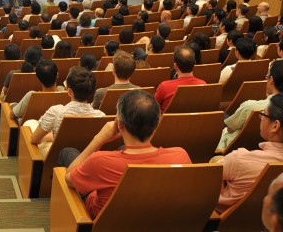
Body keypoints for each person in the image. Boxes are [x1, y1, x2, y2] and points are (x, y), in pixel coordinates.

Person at [62, 90, 192, 219]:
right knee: (122, 148)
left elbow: (68, 178)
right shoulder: (180, 156)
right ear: (157, 124)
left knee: (68, 152)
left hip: (102, 220)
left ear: (119, 124)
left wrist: (98, 139)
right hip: (156, 220)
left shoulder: (99, 161)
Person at [216, 92, 283, 212]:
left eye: (263, 115)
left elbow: (207, 177)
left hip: (224, 216)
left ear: (275, 126)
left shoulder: (239, 159)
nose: (260, 118)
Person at [25, 66, 105, 157]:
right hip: (88, 160)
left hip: (57, 161)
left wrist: (50, 137)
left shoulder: (56, 111)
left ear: (69, 91)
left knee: (30, 123)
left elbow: (34, 139)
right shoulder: (101, 116)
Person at [218, 59, 283, 152]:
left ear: (271, 80)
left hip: (233, 149)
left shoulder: (250, 106)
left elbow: (230, 129)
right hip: (277, 151)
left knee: (220, 117)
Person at [154, 46, 206, 112]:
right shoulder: (203, 84)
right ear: (194, 63)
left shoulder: (164, 87)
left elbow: (153, 109)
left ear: (175, 66)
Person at [10, 58, 58, 123]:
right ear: (57, 75)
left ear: (38, 78)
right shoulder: (67, 94)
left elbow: (12, 115)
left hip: (28, 131)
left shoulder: (31, 95)